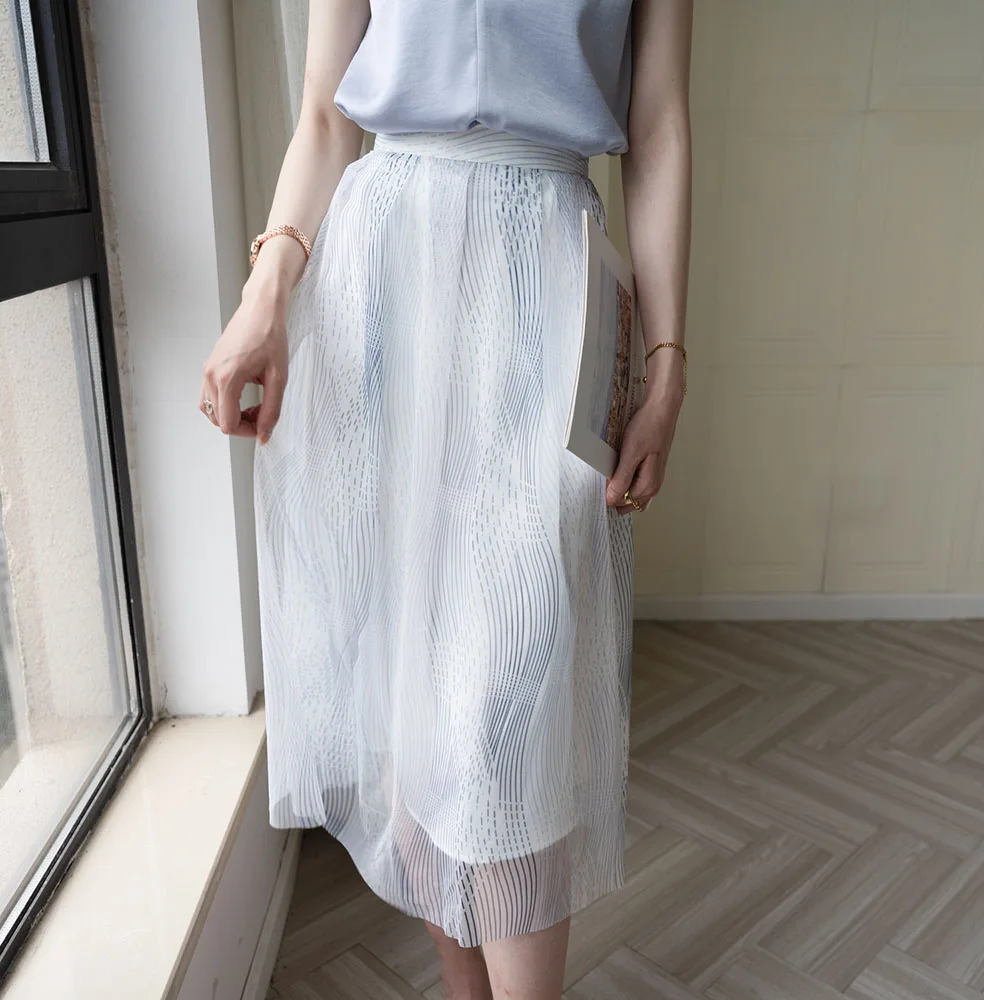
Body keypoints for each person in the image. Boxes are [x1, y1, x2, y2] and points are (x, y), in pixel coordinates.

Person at [199, 1, 692, 996]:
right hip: (382, 272)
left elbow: (659, 125)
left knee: (505, 701)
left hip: (547, 276)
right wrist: (265, 293)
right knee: (408, 695)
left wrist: (668, 359)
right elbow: (328, 112)